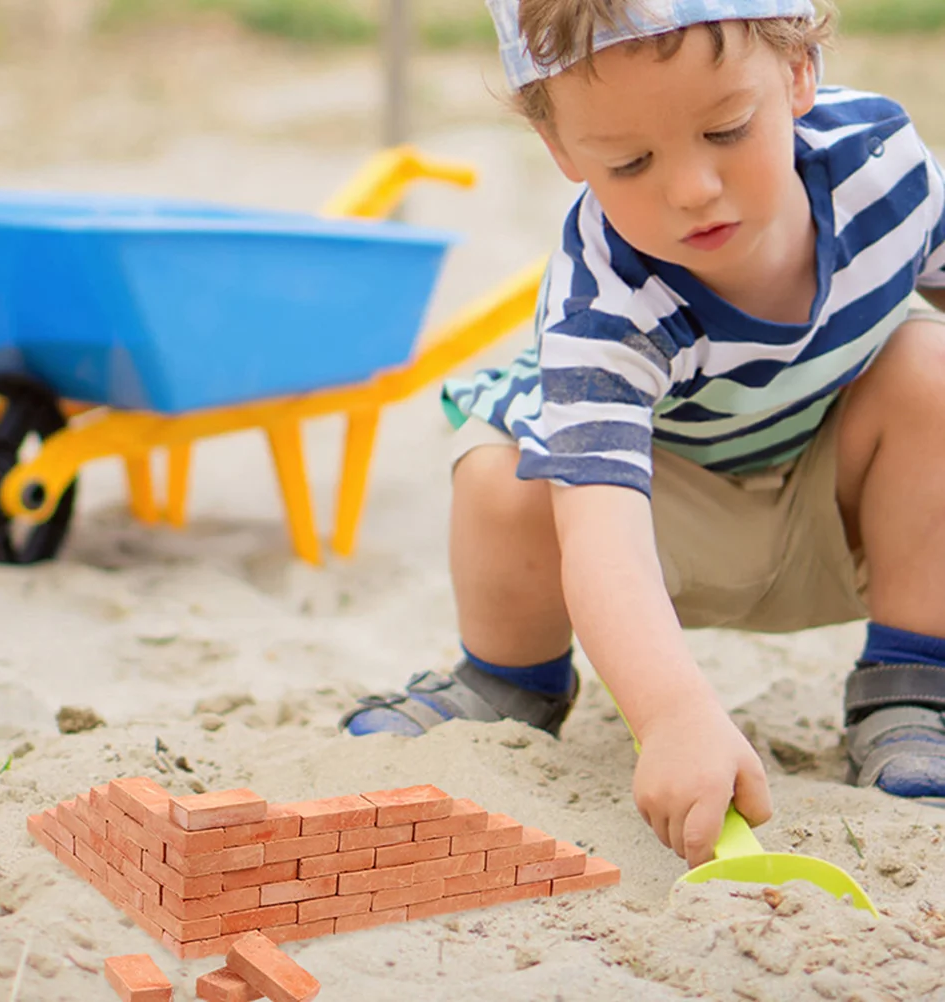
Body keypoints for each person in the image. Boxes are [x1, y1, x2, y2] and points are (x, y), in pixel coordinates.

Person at [340, 0, 945, 867]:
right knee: (503, 467)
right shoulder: (607, 299)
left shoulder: (883, 170)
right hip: (658, 538)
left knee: (930, 365)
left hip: (847, 515)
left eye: (728, 130)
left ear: (800, 70)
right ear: (563, 152)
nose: (691, 188)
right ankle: (511, 679)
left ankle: (914, 683)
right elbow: (602, 537)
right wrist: (671, 715)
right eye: (629, 162)